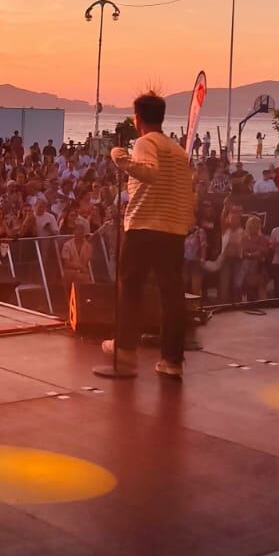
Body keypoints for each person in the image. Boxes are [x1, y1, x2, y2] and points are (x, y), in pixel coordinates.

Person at [106, 91, 194, 379]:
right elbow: (184, 193)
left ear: (137, 118)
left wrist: (120, 158)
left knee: (130, 289)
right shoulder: (179, 151)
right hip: (173, 229)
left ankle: (125, 349)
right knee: (172, 297)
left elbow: (150, 172)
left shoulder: (145, 142)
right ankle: (172, 360)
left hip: (144, 226)